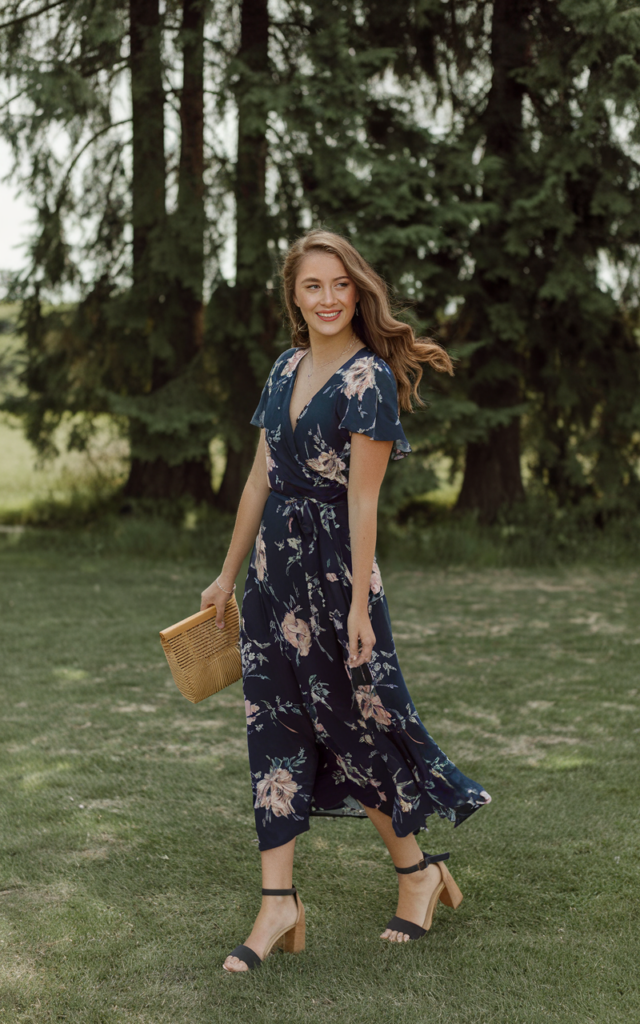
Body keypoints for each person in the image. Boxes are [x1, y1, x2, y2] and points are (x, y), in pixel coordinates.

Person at [200, 229, 491, 973]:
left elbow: (364, 505)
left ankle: (418, 873)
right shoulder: (285, 366)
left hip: (336, 581)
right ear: (294, 297)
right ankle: (277, 905)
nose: (327, 299)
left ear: (358, 291)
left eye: (340, 285)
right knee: (272, 729)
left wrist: (359, 607)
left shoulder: (368, 382)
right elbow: (260, 480)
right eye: (312, 287)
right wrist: (228, 574)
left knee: (355, 731)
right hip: (272, 579)